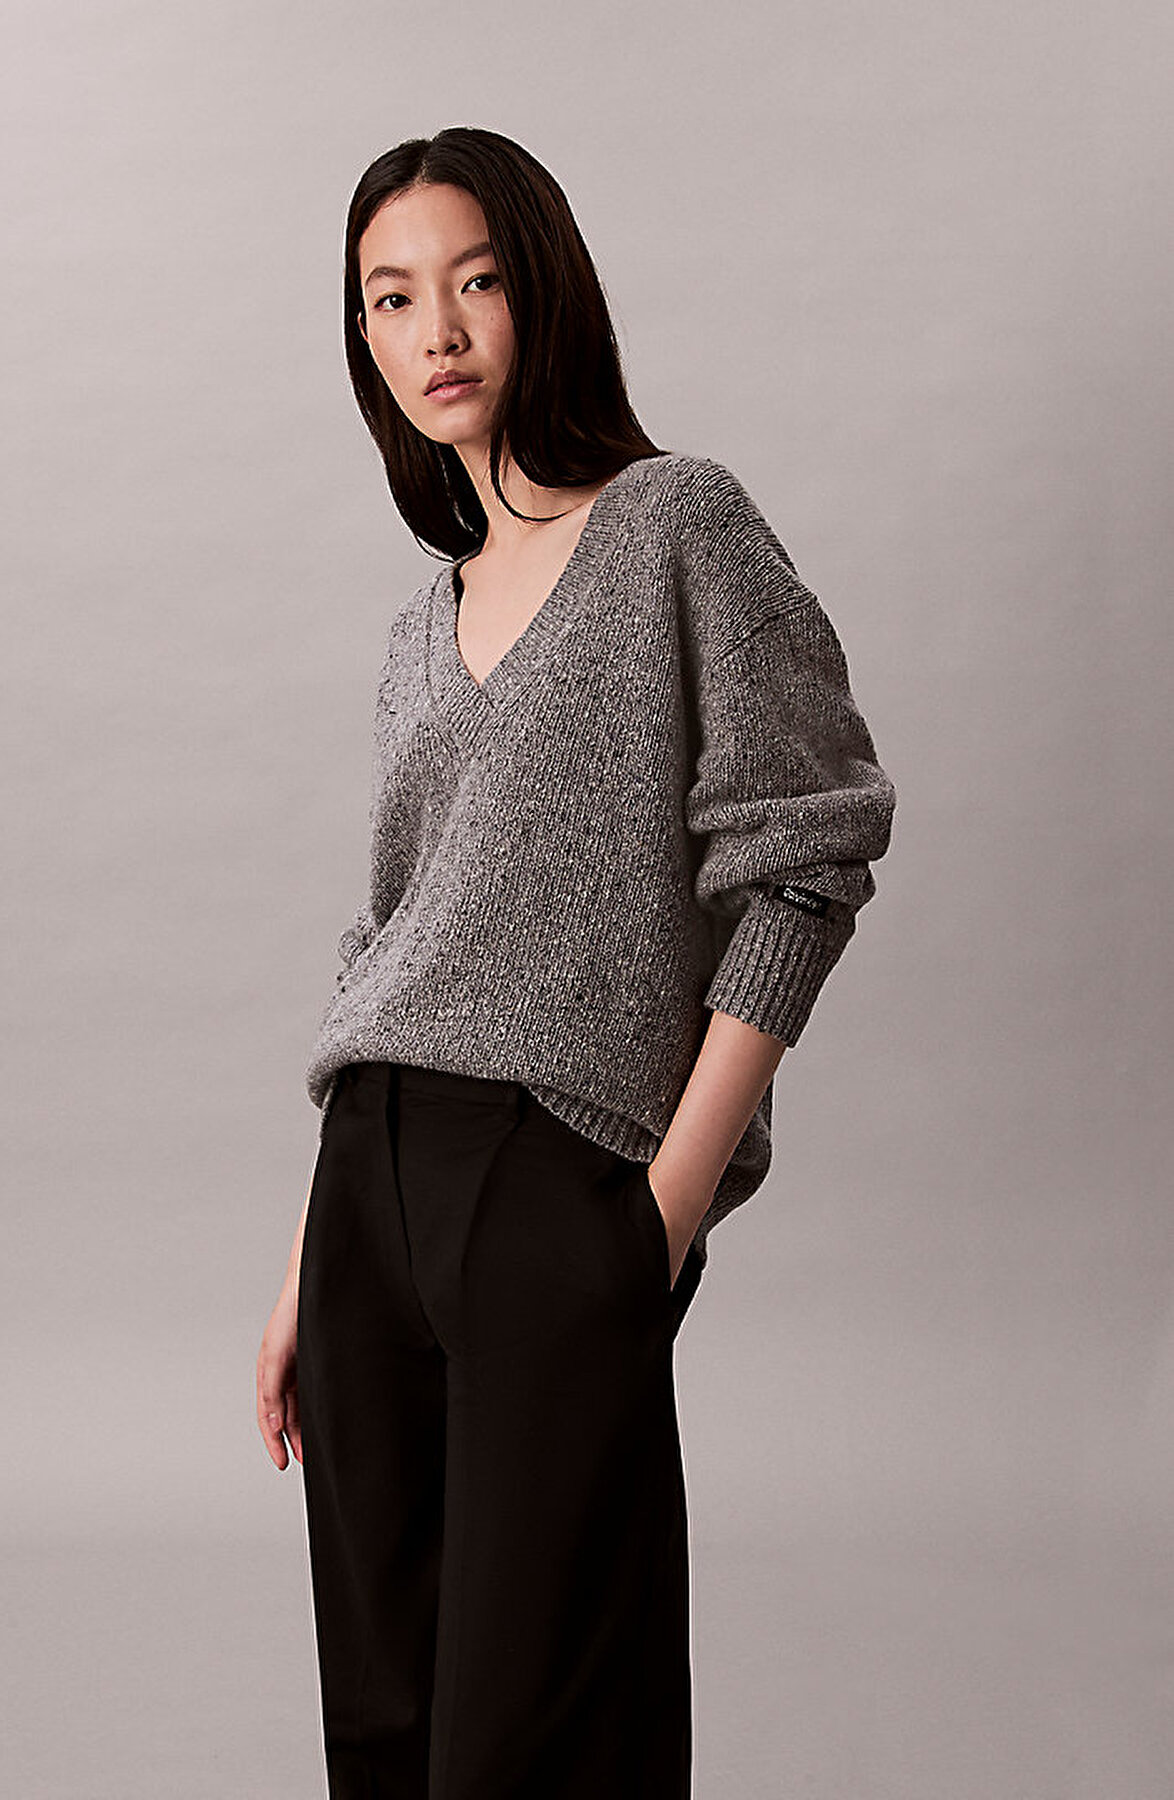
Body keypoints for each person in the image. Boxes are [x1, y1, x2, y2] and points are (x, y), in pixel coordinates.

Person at [256, 126, 897, 1799]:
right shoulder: (422, 621)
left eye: (473, 281)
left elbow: (806, 857)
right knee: (388, 1728)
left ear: (542, 288)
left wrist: (659, 1213)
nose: (436, 332)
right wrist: (305, 1270)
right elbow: (390, 933)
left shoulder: (678, 525)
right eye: (390, 298)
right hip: (366, 1186)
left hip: (556, 1177)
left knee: (536, 1738)